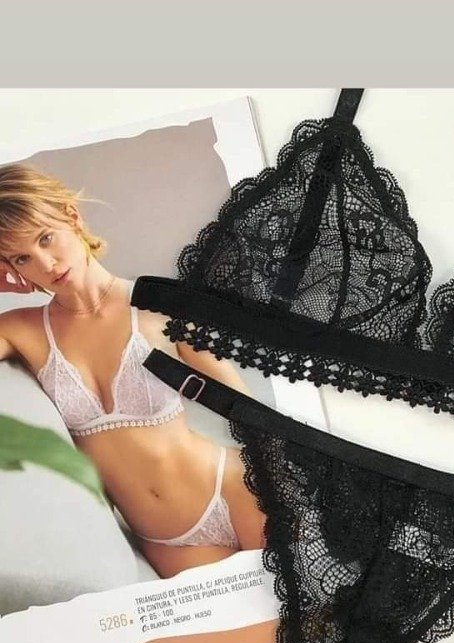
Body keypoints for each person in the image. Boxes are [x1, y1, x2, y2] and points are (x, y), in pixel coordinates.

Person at [0, 163, 267, 580]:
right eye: (22, 258)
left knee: (323, 614)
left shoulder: (159, 305)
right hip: (166, 541)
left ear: (72, 216)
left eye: (46, 237)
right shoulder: (23, 330)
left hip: (235, 489)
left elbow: (243, 407)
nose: (45, 263)